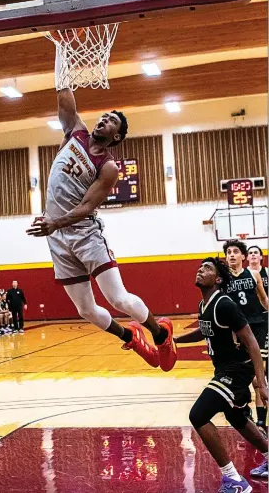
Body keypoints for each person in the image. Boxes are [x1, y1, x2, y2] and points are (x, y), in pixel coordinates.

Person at [26, 45, 176, 372]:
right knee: (85, 310)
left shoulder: (107, 167)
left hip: (83, 233)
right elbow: (63, 89)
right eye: (104, 116)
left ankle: (160, 333)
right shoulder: (74, 132)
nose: (104, 120)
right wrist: (59, 46)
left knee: (118, 299)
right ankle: (131, 337)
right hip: (58, 237)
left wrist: (54, 222)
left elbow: (86, 207)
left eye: (111, 122)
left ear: (116, 137)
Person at [174, 257, 268, 492]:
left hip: (237, 370)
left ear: (217, 279)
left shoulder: (224, 304)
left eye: (207, 268)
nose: (200, 270)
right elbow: (203, 330)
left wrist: (263, 382)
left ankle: (234, 480)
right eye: (200, 266)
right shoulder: (203, 305)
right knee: (237, 418)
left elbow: (252, 342)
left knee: (198, 414)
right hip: (224, 369)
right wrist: (175, 340)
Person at [223, 239, 268, 425]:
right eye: (228, 252)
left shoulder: (254, 274)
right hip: (237, 330)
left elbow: (264, 299)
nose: (231, 255)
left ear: (243, 256)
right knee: (242, 376)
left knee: (259, 379)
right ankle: (245, 410)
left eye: (235, 251)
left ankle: (261, 422)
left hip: (257, 326)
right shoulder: (223, 279)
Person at [247, 245, 268, 429]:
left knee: (263, 372)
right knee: (255, 375)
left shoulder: (266, 273)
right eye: (251, 252)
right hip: (249, 324)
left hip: (265, 322)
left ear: (261, 257)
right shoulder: (243, 276)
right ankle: (257, 416)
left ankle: (262, 418)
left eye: (256, 252)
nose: (253, 255)